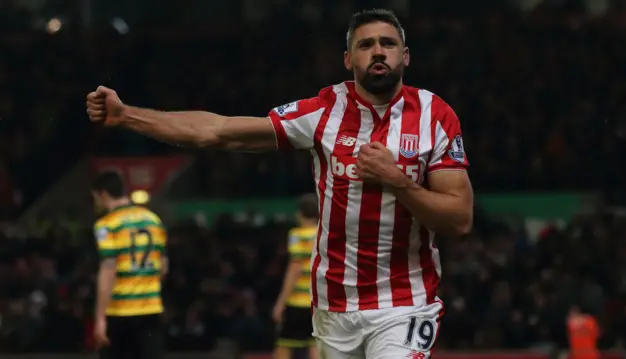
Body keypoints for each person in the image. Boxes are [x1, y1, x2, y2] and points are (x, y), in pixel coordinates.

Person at [86, 8, 473, 359]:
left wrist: (397, 181)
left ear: (405, 56)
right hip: (333, 307)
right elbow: (219, 131)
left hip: (404, 304)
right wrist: (129, 117)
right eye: (365, 44)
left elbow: (459, 219)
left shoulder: (435, 117)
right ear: (348, 59)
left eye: (388, 44)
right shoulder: (323, 112)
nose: (377, 52)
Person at [92, 170, 168, 359]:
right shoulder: (153, 220)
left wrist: (100, 317)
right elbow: (163, 266)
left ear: (103, 194)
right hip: (151, 310)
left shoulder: (107, 224)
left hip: (119, 312)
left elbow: (109, 269)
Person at [272, 193, 320, 359]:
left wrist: (280, 302)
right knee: (315, 345)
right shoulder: (323, 235)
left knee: (284, 345)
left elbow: (295, 268)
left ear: (300, 213)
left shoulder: (296, 235)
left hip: (297, 303)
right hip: (318, 302)